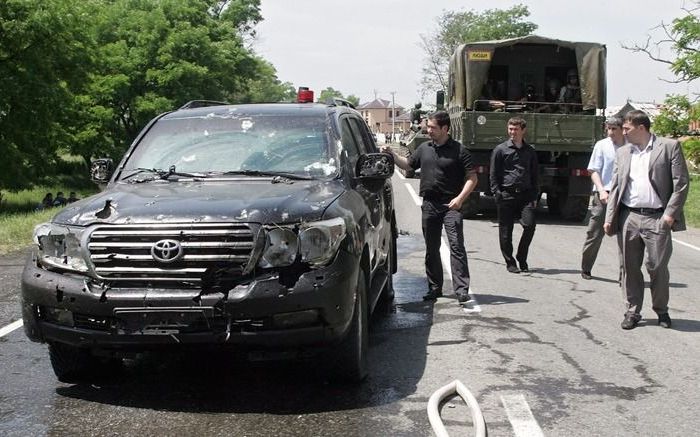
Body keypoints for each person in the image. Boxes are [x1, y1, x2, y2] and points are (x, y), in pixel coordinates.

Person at [603, 110, 690, 330]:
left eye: (626, 128)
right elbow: (615, 188)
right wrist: (609, 216)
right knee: (629, 267)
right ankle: (632, 311)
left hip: (658, 217)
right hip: (629, 216)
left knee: (657, 266)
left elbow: (681, 184)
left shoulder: (668, 147)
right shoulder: (623, 153)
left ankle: (661, 310)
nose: (623, 132)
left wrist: (670, 214)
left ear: (641, 128)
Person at [382, 111, 477, 304]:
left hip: (452, 205)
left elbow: (472, 179)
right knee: (431, 248)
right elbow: (408, 165)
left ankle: (461, 290)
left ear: (445, 128)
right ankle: (434, 287)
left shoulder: (460, 151)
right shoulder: (424, 148)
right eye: (429, 126)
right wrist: (391, 154)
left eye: (433, 127)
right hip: (430, 204)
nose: (428, 130)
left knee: (456, 246)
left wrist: (460, 199)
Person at [489, 117, 538, 273]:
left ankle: (522, 257)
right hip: (506, 195)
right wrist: (497, 193)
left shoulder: (530, 151)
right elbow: (493, 173)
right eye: (510, 129)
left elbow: (535, 175)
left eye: (516, 129)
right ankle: (510, 262)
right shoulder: (500, 150)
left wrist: (534, 196)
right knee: (505, 231)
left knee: (529, 226)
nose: (512, 132)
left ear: (523, 130)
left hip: (525, 196)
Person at [581, 116, 625, 280]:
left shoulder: (630, 146)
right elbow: (593, 170)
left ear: (622, 129)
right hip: (603, 193)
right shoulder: (602, 145)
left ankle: (624, 273)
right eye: (609, 128)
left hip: (624, 195)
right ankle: (586, 267)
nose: (610, 132)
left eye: (614, 129)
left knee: (626, 237)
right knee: (594, 232)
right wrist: (601, 190)